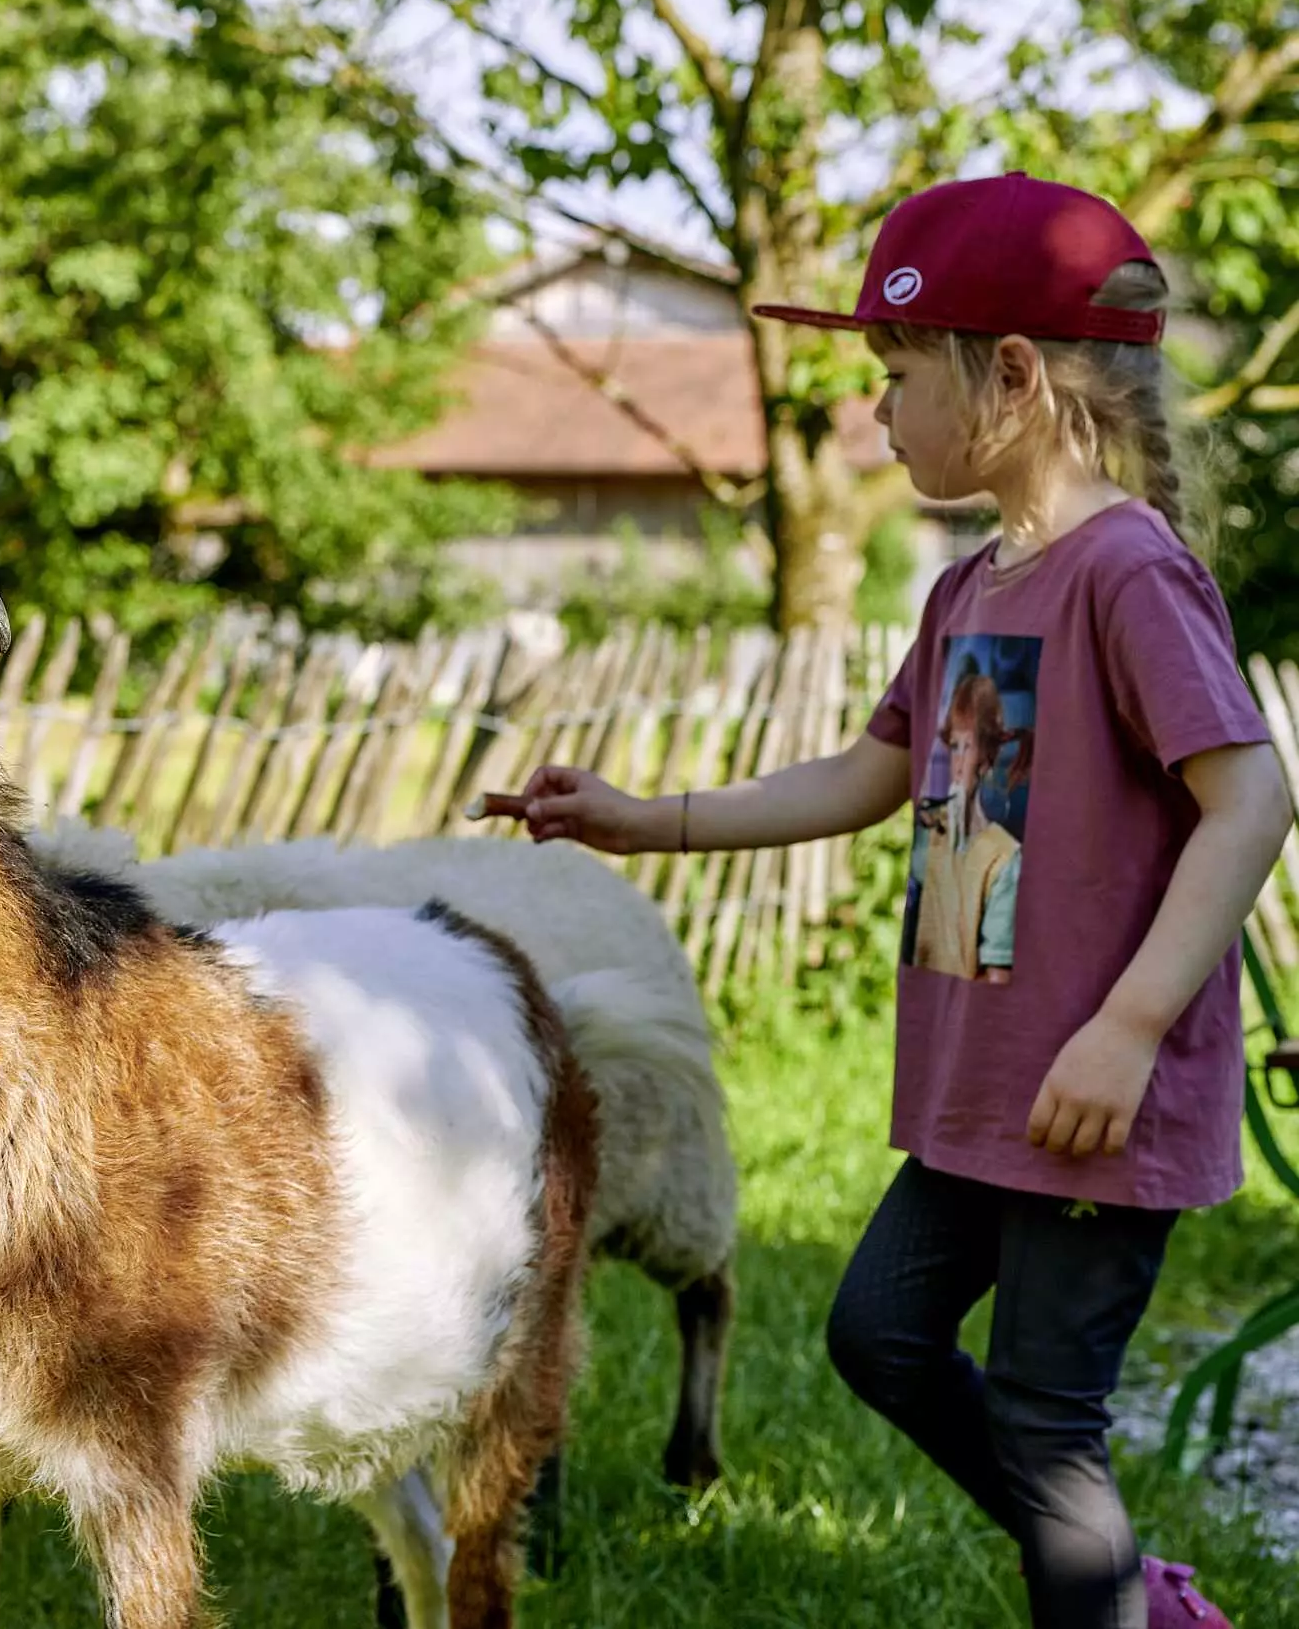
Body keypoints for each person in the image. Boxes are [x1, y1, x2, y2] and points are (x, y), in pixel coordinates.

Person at [498, 174, 1290, 1629]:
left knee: (1053, 1430)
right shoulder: (972, 588)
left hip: (1090, 1095)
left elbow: (1251, 800)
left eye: (893, 377)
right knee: (879, 1335)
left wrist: (1127, 1027)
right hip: (987, 1087)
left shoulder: (1129, 572)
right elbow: (864, 775)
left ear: (1011, 376)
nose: (875, 415)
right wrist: (642, 819)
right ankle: (1121, 1580)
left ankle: (1112, 1591)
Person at [912, 656, 1025, 984]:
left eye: (969, 747)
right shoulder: (930, 832)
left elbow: (997, 977)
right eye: (954, 746)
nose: (958, 761)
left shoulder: (1003, 859)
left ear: (987, 759)